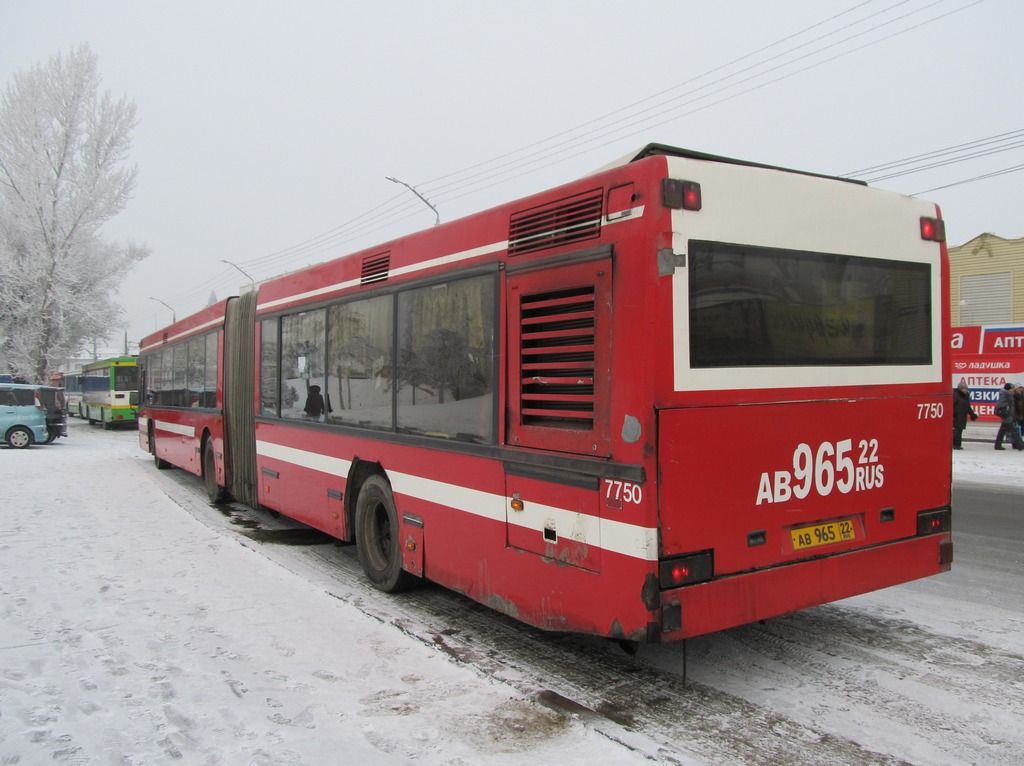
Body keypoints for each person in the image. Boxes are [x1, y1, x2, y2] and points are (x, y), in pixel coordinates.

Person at [993, 382, 1024, 450]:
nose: (1013, 390)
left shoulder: (1009, 395)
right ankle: (1020, 445)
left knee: (1002, 431)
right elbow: (1001, 405)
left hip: (1008, 415)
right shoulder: (1005, 395)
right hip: (1006, 415)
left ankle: (997, 445)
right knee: (1014, 431)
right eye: (1012, 389)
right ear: (1009, 389)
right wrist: (1008, 404)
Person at [952, 380, 977, 450]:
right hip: (956, 416)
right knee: (956, 430)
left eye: (966, 389)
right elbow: (952, 406)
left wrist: (972, 415)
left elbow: (968, 407)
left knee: (960, 430)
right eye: (964, 389)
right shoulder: (956, 395)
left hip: (962, 416)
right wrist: (952, 415)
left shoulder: (966, 396)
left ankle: (958, 444)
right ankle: (955, 444)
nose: (966, 390)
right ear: (960, 389)